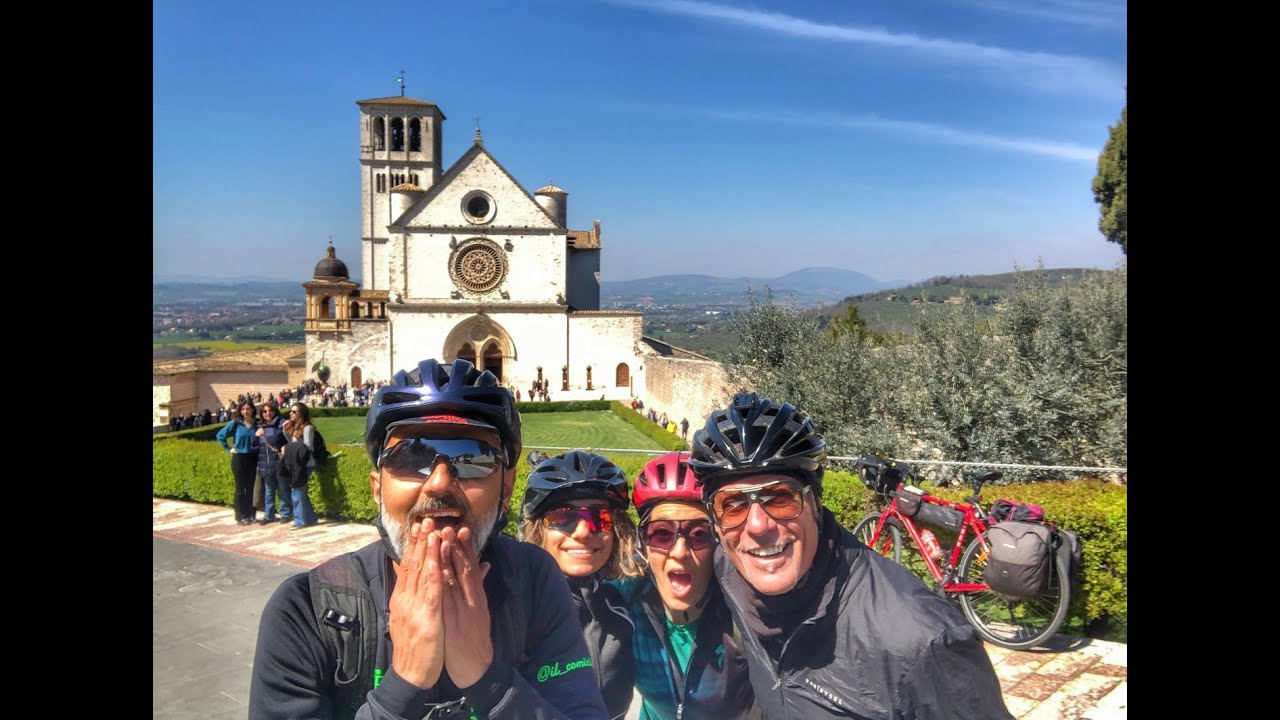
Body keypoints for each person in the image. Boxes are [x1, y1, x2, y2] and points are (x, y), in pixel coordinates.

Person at [249, 358, 611, 719]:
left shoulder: (534, 580)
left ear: (506, 489)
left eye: (473, 458)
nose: (439, 482)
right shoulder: (307, 611)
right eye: (411, 456)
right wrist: (403, 684)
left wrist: (489, 680)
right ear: (378, 488)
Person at [687, 393, 1013, 720]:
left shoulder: (924, 642)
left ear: (815, 502)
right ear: (715, 522)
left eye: (779, 498)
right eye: (732, 505)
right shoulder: (729, 571)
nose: (758, 526)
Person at [626, 451, 755, 720]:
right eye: (661, 533)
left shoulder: (746, 619)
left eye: (700, 535)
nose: (680, 551)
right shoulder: (624, 606)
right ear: (643, 543)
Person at [519, 451, 643, 720]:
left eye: (600, 518)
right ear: (538, 529)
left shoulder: (623, 605)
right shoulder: (512, 610)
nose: (583, 531)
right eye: (563, 518)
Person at [215, 400, 260, 525]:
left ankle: (251, 514)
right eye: (243, 409)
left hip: (253, 457)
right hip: (239, 458)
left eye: (248, 409)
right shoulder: (236, 423)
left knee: (251, 487)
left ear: (252, 410)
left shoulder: (257, 424)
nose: (246, 411)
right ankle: (240, 516)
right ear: (240, 411)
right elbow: (220, 435)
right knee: (240, 488)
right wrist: (229, 449)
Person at [281, 402, 319, 529]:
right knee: (300, 491)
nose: (291, 414)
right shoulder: (295, 427)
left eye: (294, 412)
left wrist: (288, 448)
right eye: (290, 412)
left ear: (301, 414)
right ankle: (311, 517)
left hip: (305, 464)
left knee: (297, 490)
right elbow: (292, 444)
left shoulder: (307, 428)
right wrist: (285, 431)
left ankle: (300, 521)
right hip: (297, 463)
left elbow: (307, 447)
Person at [254, 401, 291, 524]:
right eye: (264, 411)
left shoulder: (281, 424)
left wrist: (285, 448)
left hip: (279, 462)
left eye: (270, 411)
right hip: (265, 464)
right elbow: (254, 445)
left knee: (283, 489)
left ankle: (285, 514)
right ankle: (268, 515)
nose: (267, 413)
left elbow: (290, 439)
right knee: (269, 490)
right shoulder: (259, 426)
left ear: (275, 412)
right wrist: (255, 436)